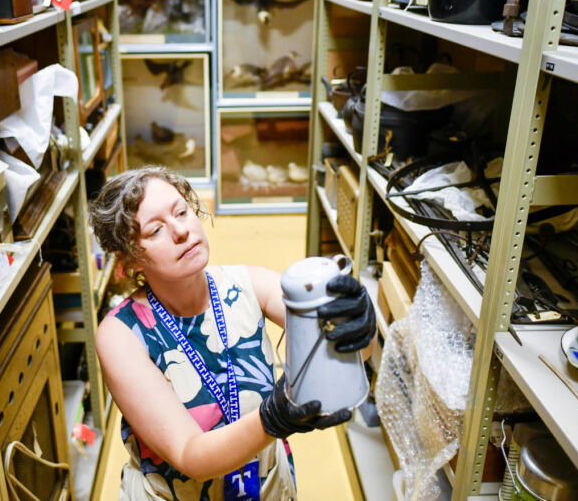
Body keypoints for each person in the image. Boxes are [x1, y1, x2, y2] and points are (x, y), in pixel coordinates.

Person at [89, 166, 376, 500]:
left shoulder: (249, 286)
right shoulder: (121, 334)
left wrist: (357, 324)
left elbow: (349, 352)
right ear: (129, 262)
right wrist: (274, 418)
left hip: (268, 488)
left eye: (182, 211)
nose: (182, 230)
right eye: (155, 231)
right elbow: (189, 455)